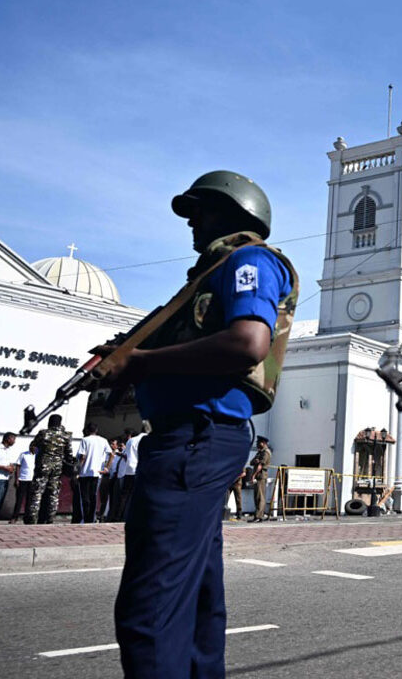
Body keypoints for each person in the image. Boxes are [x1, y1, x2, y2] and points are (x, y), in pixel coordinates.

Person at [94, 170, 297, 678]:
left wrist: (139, 363)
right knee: (198, 597)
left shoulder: (249, 262)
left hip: (195, 440)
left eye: (200, 212)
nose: (192, 224)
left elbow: (248, 343)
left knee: (151, 606)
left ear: (235, 215)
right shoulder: (208, 276)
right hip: (197, 440)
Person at [27, 415, 74, 525]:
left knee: (37, 492)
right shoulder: (66, 436)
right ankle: (50, 518)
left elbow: (33, 445)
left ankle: (32, 518)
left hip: (43, 465)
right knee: (53, 493)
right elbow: (69, 455)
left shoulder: (43, 433)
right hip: (57, 467)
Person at [75, 422, 112, 524]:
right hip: (96, 473)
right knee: (93, 496)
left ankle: (85, 519)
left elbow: (82, 457)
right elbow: (111, 454)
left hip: (85, 472)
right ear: (96, 430)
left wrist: (78, 471)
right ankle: (91, 519)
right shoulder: (103, 440)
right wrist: (106, 468)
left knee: (84, 498)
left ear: (87, 430)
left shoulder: (85, 440)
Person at [118, 421, 149, 521]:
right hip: (141, 471)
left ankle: (120, 517)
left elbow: (127, 455)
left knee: (125, 495)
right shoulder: (149, 440)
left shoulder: (131, 441)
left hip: (129, 470)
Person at [12, 443, 37, 523]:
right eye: (31, 446)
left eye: (34, 446)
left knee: (30, 500)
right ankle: (14, 517)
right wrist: (17, 479)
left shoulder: (38, 456)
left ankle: (26, 518)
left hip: (32, 480)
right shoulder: (23, 454)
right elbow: (18, 466)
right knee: (19, 499)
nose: (33, 448)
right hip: (23, 479)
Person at [249, 436, 272, 522]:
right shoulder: (260, 452)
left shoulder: (266, 452)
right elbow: (252, 462)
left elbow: (260, 466)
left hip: (260, 476)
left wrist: (253, 476)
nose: (256, 444)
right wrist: (255, 461)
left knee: (260, 497)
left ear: (263, 443)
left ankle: (259, 517)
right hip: (258, 477)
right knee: (256, 497)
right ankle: (258, 516)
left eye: (258, 442)